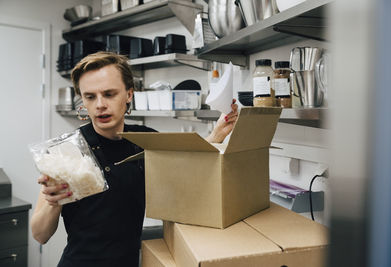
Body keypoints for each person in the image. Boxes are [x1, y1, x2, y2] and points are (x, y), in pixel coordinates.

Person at [30, 51, 238, 267]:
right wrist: (54, 202)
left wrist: (217, 134)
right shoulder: (68, 151)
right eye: (90, 96)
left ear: (129, 95)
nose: (100, 104)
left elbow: (188, 164)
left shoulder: (146, 140)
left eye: (109, 94)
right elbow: (40, 234)